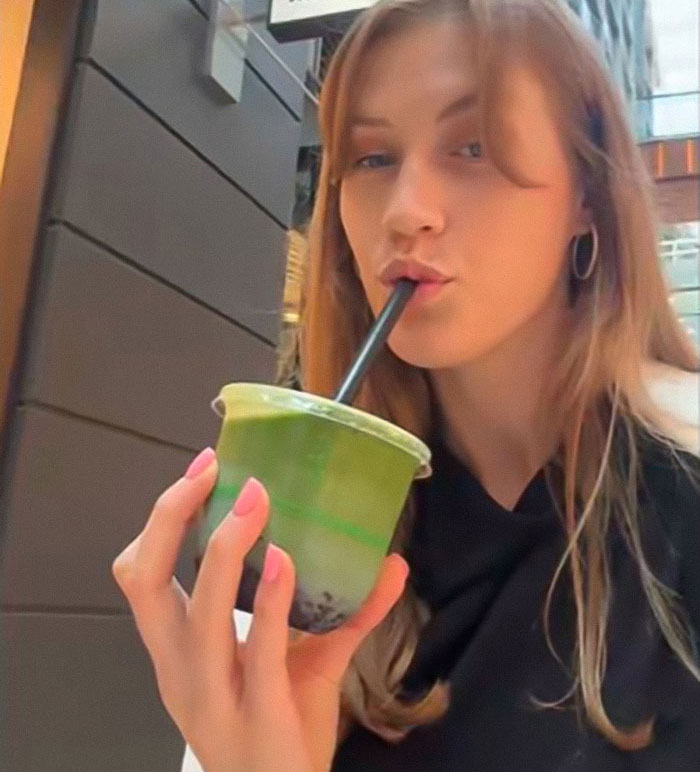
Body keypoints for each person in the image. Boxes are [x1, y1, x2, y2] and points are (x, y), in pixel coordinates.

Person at [112, 1, 700, 770]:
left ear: (586, 199)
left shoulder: (681, 488)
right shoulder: (313, 520)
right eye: (372, 158)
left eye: (473, 146)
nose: (405, 212)